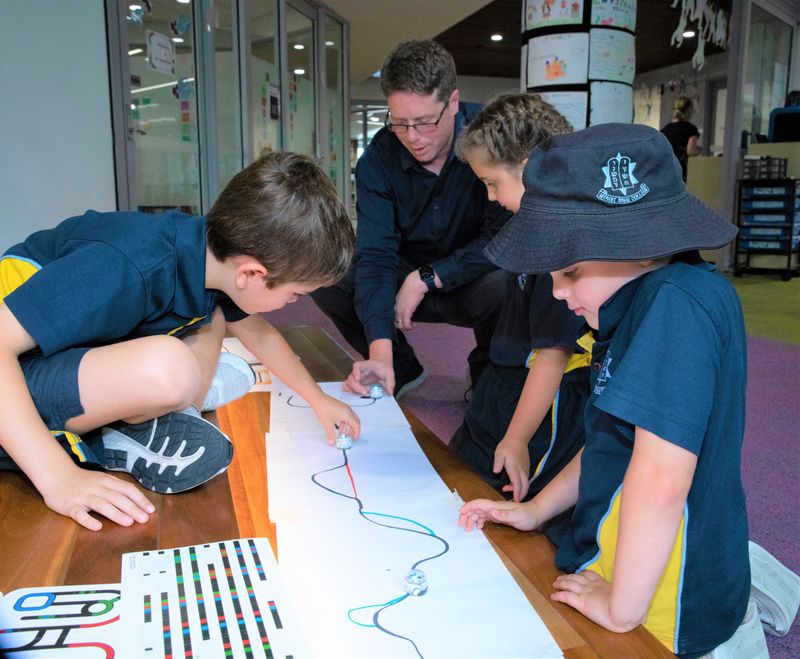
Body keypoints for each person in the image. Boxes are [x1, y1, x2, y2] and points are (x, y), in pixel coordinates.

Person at [458, 124, 767, 656]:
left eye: (571, 271)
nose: (558, 292)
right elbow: (610, 438)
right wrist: (537, 510)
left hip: (663, 603)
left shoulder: (674, 307)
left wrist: (623, 607)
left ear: (640, 248)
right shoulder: (640, 302)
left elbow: (662, 475)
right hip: (627, 559)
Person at [0, 152, 361, 532]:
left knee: (214, 316)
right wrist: (58, 478)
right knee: (170, 368)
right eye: (296, 294)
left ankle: (161, 414)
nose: (294, 303)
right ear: (251, 273)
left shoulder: (210, 253)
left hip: (58, 361)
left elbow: (258, 332)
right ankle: (115, 431)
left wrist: (317, 399)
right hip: (14, 379)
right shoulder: (127, 263)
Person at [311, 40, 510, 399]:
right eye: (400, 123)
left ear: (452, 102)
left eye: (424, 122)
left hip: (470, 278)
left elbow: (501, 239)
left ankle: (488, 373)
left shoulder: (491, 141)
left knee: (508, 281)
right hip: (400, 278)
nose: (412, 137)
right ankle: (399, 367)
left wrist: (428, 278)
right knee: (327, 271)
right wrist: (379, 355)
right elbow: (375, 255)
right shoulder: (377, 160)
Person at [449, 92, 590, 503]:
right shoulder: (528, 226)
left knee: (503, 489)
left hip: (545, 394)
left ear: (530, 171)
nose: (491, 197)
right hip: (505, 377)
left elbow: (553, 354)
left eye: (493, 184)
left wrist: (517, 439)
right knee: (460, 466)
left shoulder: (561, 242)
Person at [660, 96, 701, 181]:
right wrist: (699, 150)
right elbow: (691, 151)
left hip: (666, 170)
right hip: (681, 171)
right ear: (688, 111)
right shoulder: (690, 129)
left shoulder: (665, 129)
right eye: (692, 109)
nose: (693, 112)